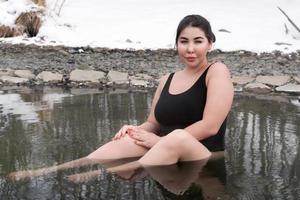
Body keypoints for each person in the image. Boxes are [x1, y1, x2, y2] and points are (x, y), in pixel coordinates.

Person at [8, 14, 234, 182]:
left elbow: (210, 126)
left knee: (176, 138)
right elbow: (154, 123)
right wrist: (135, 130)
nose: (190, 49)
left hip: (204, 153)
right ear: (176, 44)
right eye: (184, 41)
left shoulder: (217, 71)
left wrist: (161, 141)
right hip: (162, 149)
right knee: (128, 140)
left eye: (198, 41)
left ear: (210, 43)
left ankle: (97, 174)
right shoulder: (168, 78)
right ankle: (46, 171)